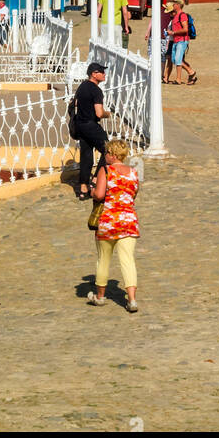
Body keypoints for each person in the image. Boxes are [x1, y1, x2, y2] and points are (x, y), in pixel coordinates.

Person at [87, 138, 140, 311]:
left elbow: (100, 195)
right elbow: (133, 194)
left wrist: (92, 190)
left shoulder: (106, 171)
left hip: (108, 221)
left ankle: (100, 296)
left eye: (107, 153)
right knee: (128, 260)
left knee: (103, 259)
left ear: (113, 154)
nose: (105, 156)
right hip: (128, 220)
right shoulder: (133, 172)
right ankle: (131, 299)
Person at [75, 61, 111, 200]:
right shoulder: (96, 90)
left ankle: (83, 189)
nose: (104, 74)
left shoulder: (82, 86)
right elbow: (99, 113)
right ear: (94, 74)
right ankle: (96, 180)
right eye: (101, 72)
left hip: (80, 125)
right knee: (108, 151)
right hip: (90, 125)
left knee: (86, 155)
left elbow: (76, 103)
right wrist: (107, 114)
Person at [166, 0, 197, 84]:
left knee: (178, 59)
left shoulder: (182, 15)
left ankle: (178, 79)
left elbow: (185, 29)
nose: (173, 5)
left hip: (182, 40)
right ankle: (191, 72)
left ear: (178, 5)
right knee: (174, 59)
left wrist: (173, 32)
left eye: (174, 4)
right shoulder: (175, 16)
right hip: (176, 40)